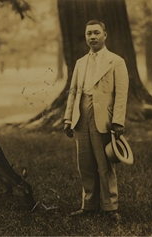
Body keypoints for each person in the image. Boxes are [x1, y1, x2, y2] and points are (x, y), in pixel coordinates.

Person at [63, 19, 129, 222]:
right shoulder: (80, 62)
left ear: (105, 35)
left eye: (96, 33)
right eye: (88, 33)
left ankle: (111, 207)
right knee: (85, 162)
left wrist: (118, 121)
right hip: (81, 114)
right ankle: (89, 205)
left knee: (104, 162)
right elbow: (73, 91)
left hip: (104, 117)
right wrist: (68, 118)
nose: (92, 37)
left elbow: (121, 94)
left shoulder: (116, 61)